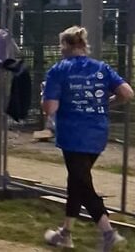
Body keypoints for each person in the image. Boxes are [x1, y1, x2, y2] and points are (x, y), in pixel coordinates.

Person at [42, 26, 132, 251]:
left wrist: (45, 98)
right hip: (97, 133)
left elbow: (51, 106)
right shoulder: (101, 68)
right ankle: (66, 232)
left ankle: (108, 232)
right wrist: (104, 103)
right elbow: (127, 93)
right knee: (77, 181)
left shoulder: (59, 70)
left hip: (73, 134)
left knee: (82, 183)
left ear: (66, 45)